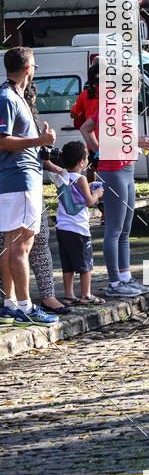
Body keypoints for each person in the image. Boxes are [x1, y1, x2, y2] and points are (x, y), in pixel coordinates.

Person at [0, 47, 59, 326]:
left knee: (10, 245)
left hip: (18, 181)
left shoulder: (15, 96)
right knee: (21, 245)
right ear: (27, 68)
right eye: (34, 66)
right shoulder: (8, 98)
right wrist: (40, 142)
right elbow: (2, 141)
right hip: (20, 180)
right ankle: (25, 308)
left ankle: (9, 304)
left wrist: (41, 144)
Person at [81, 111, 149, 298]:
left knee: (125, 229)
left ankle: (125, 277)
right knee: (114, 229)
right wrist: (100, 150)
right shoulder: (110, 107)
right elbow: (96, 134)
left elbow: (86, 128)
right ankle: (114, 282)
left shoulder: (124, 108)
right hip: (113, 171)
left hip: (127, 169)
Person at [50, 141, 105, 305]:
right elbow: (89, 202)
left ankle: (69, 295)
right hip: (79, 229)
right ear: (82, 162)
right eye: (86, 158)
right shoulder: (81, 179)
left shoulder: (62, 177)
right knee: (85, 263)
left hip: (62, 228)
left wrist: (87, 188)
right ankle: (86, 294)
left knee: (67, 264)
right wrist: (97, 193)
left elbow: (73, 194)